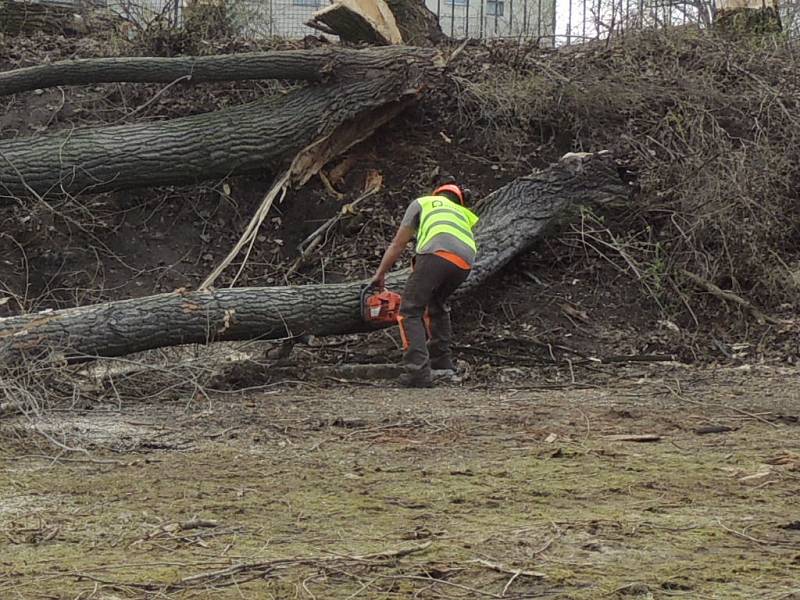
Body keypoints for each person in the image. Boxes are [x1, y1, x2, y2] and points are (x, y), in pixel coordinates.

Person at [370, 183, 479, 387]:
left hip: (436, 255)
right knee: (437, 305)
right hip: (465, 263)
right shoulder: (463, 213)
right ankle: (442, 364)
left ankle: (417, 372)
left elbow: (398, 244)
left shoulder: (423, 202)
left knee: (409, 311)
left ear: (437, 193)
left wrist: (380, 274)